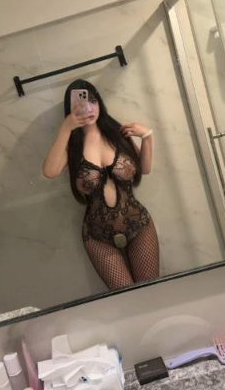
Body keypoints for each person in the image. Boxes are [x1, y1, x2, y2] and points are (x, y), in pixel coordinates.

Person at [42, 79, 159, 289]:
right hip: (97, 235)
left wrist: (147, 138)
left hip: (138, 225)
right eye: (81, 102)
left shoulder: (117, 134)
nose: (89, 108)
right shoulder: (71, 147)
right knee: (127, 298)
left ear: (100, 103)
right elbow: (50, 171)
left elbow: (145, 168)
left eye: (93, 100)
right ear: (71, 108)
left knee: (151, 291)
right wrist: (66, 128)